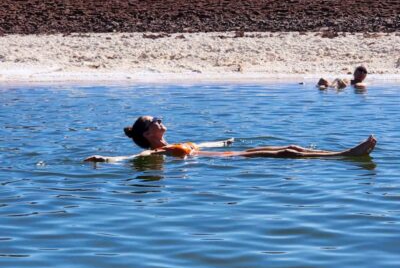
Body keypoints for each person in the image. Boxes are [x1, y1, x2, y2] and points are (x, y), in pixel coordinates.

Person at [84, 115, 376, 162]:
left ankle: (343, 153)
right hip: (231, 163)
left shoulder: (174, 144)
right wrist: (106, 158)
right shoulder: (157, 154)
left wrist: (222, 142)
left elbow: (203, 144)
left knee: (293, 146)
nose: (161, 121)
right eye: (155, 121)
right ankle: (347, 155)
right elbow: (134, 158)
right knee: (288, 154)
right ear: (148, 134)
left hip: (230, 154)